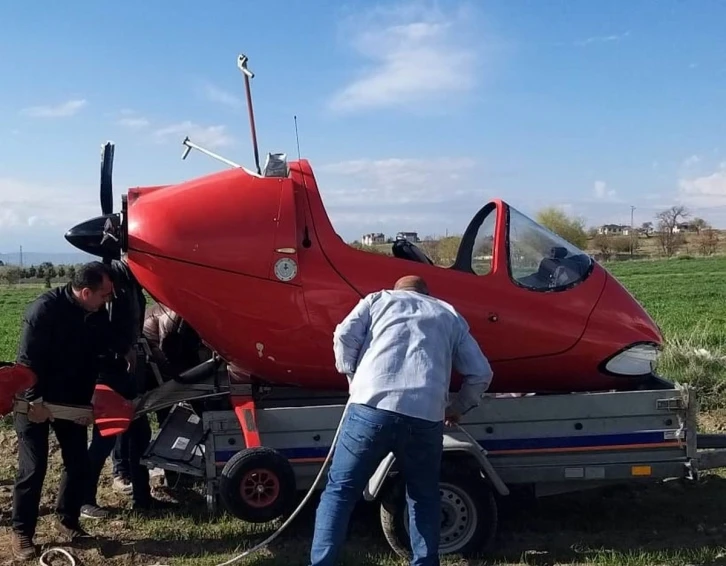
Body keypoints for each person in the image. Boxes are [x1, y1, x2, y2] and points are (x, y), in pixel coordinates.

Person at [308, 275, 493, 566]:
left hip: (371, 409)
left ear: (398, 290)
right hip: (425, 415)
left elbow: (344, 336)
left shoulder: (377, 300)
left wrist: (352, 376)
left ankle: (323, 562)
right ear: (426, 294)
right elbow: (481, 373)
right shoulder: (447, 313)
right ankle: (424, 562)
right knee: (423, 496)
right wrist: (457, 408)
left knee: (340, 492)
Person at [10, 262, 116, 561]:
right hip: (33, 400)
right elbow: (26, 363)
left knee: (78, 462)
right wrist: (35, 402)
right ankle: (22, 532)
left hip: (72, 401)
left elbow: (99, 359)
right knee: (33, 468)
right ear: (86, 291)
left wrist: (89, 404)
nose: (107, 301)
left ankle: (68, 520)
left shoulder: (95, 316)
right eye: (104, 295)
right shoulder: (43, 311)